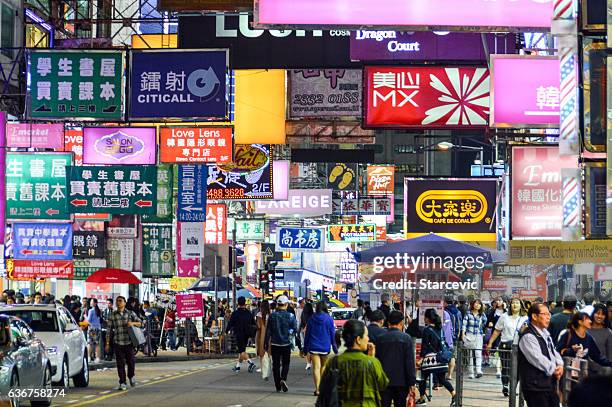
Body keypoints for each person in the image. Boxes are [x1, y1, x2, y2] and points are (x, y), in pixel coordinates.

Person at [319, 319, 389, 407]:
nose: (368, 339)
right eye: (366, 336)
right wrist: (371, 358)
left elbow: (325, 388)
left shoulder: (334, 362)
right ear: (358, 339)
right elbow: (382, 384)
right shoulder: (372, 362)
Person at [518, 302, 563, 407]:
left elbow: (553, 351)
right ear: (534, 316)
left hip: (547, 384)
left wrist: (560, 364)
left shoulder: (545, 333)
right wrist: (554, 369)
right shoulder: (528, 336)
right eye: (545, 314)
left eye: (549, 314)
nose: (548, 317)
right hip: (535, 386)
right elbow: (537, 358)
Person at [486, 298, 528, 397]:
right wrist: (490, 343)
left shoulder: (525, 318)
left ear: (521, 305)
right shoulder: (504, 317)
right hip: (505, 345)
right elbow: (497, 331)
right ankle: (505, 386)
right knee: (506, 367)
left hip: (520, 346)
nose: (515, 305)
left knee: (517, 368)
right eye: (513, 303)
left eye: (517, 303)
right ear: (509, 305)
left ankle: (513, 388)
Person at [376, 311, 417, 407]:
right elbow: (409, 363)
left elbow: (376, 361)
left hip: (383, 381)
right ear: (402, 323)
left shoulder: (380, 338)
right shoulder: (406, 338)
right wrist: (412, 382)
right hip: (401, 382)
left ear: (388, 322)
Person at [416, 309, 456, 406]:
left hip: (430, 359)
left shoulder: (426, 330)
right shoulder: (440, 328)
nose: (424, 319)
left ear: (428, 318)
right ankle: (454, 394)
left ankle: (422, 399)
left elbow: (424, 346)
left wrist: (421, 358)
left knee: (422, 378)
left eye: (425, 317)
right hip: (440, 358)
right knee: (442, 380)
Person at [105, 296, 142, 391]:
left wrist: (132, 323)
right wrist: (107, 343)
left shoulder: (130, 313)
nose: (118, 303)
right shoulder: (113, 315)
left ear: (125, 303)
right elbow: (108, 330)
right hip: (118, 342)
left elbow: (141, 323)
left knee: (131, 362)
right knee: (120, 364)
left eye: (120, 301)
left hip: (129, 342)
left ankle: (131, 376)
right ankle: (122, 382)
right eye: (117, 301)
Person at [303, 301, 338, 396]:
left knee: (316, 367)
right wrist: (335, 348)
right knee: (323, 367)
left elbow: (307, 335)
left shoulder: (311, 318)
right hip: (325, 347)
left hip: (313, 346)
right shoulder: (329, 319)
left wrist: (305, 349)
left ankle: (317, 389)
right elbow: (332, 334)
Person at [265, 295, 297, 393]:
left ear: (278, 305)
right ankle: (283, 378)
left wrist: (266, 343)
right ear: (286, 304)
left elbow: (268, 331)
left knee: (276, 365)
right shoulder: (291, 316)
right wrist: (289, 333)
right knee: (286, 363)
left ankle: (277, 386)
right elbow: (295, 329)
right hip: (286, 343)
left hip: (275, 343)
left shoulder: (272, 316)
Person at [226, 296, 257, 373]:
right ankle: (238, 366)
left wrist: (226, 331)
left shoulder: (235, 313)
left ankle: (251, 363)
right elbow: (254, 323)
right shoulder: (248, 313)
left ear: (238, 303)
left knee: (242, 351)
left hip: (239, 333)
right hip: (247, 334)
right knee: (242, 350)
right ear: (245, 303)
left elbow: (230, 323)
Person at [461, 299, 487, 379]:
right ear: (473, 304)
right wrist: (463, 334)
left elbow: (484, 323)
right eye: (476, 303)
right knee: (470, 355)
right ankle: (471, 372)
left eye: (479, 304)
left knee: (478, 353)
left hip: (479, 335)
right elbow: (464, 324)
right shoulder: (468, 314)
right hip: (469, 335)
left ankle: (478, 370)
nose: (477, 305)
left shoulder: (482, 315)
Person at [588, 303, 612, 376]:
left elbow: (610, 354)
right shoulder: (586, 330)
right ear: (593, 314)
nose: (600, 316)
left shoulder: (608, 332)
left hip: (602, 372)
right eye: (598, 313)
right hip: (585, 370)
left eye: (603, 314)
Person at [486, 297, 506, 376]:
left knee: (503, 351)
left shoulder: (507, 311)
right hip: (495, 333)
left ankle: (502, 367)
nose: (498, 302)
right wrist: (490, 323)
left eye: (500, 300)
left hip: (505, 333)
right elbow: (488, 321)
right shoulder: (493, 311)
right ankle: (498, 369)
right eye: (496, 301)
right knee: (497, 350)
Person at [444, 296, 462, 380]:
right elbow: (459, 325)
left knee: (443, 354)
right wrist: (457, 336)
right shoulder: (457, 312)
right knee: (452, 356)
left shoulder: (444, 311)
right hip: (454, 337)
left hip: (445, 336)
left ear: (445, 302)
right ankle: (450, 374)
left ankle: (442, 375)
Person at [255, 300, 271, 380]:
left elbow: (258, 326)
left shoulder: (259, 315)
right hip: (269, 335)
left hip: (261, 335)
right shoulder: (270, 315)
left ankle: (263, 370)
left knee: (261, 352)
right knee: (268, 353)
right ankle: (268, 369)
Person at [86, 298, 103, 363]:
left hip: (92, 329)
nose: (90, 303)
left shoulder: (91, 310)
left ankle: (89, 357)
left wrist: (85, 316)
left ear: (95, 303)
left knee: (89, 343)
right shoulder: (99, 311)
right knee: (97, 344)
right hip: (98, 329)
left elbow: (88, 320)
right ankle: (98, 358)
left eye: (91, 302)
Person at [299, 302, 314, 371]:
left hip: (303, 331)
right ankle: (312, 361)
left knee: (306, 346)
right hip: (312, 332)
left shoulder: (303, 314)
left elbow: (301, 322)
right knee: (311, 347)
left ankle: (308, 363)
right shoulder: (313, 315)